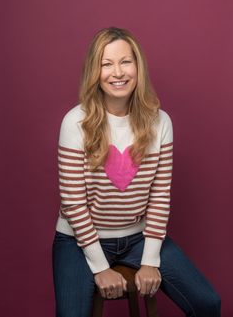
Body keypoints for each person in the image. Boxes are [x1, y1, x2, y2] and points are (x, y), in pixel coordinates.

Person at [52, 27, 221, 317]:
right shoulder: (75, 122)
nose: (117, 72)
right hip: (78, 241)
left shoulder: (160, 122)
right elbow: (74, 202)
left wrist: (150, 259)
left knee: (208, 304)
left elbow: (159, 196)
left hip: (139, 237)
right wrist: (101, 268)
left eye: (125, 61)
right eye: (107, 64)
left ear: (138, 66)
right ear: (95, 71)